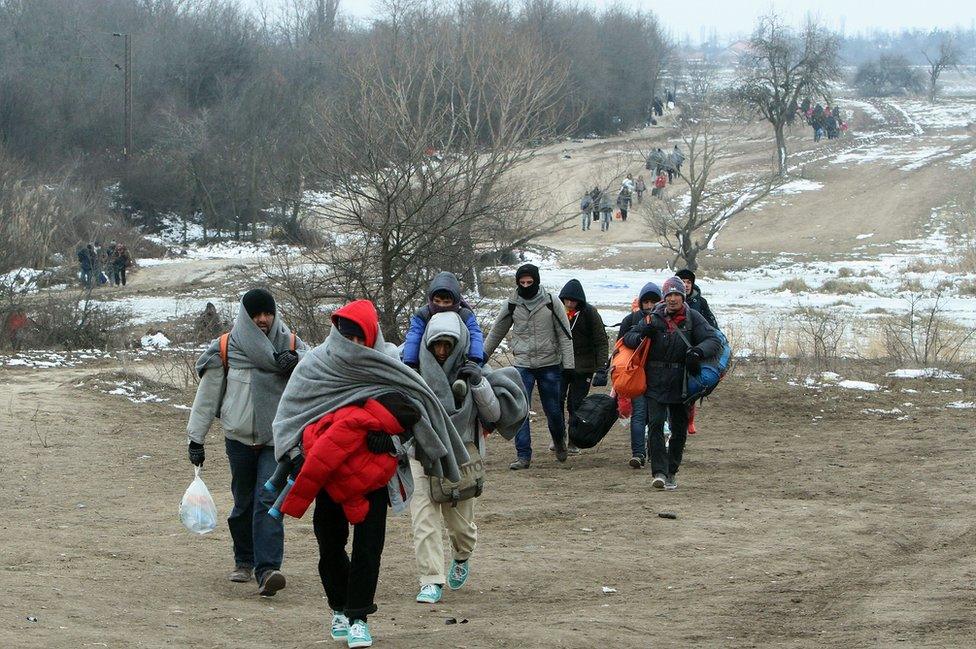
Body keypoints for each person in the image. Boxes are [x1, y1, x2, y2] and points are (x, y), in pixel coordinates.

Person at [272, 299, 470, 648]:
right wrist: (297, 454)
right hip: (329, 475)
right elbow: (292, 413)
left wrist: (393, 437)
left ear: (372, 336)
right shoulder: (317, 363)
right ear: (337, 333)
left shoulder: (387, 363)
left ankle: (359, 617)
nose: (355, 345)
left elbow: (416, 409)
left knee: (369, 549)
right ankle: (338, 607)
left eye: (361, 338)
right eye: (348, 336)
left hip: (375, 475)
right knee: (329, 546)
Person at [186, 288, 308, 595]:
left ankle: (268, 571)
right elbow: (207, 397)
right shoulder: (227, 347)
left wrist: (297, 361)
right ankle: (244, 560)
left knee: (267, 501)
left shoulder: (291, 345)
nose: (263, 319)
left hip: (276, 442)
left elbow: (319, 369)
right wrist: (195, 439)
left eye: (267, 313)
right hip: (238, 440)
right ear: (246, 315)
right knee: (243, 502)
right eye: (256, 314)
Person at [409, 311, 526, 604]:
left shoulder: (475, 372)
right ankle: (430, 579)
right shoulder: (412, 371)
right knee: (424, 518)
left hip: (463, 455)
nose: (442, 351)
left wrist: (478, 384)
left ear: (459, 344)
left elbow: (494, 415)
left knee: (460, 525)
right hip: (421, 453)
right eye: (436, 344)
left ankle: (462, 556)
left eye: (448, 344)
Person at [620, 277, 720, 490]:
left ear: (682, 297)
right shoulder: (653, 318)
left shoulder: (694, 318)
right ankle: (659, 472)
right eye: (669, 295)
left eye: (677, 295)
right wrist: (640, 337)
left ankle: (672, 470)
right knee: (655, 425)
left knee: (679, 428)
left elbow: (713, 340)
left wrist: (697, 352)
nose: (673, 299)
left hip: (683, 382)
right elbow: (627, 337)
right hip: (654, 380)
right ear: (664, 298)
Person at [484, 264, 575, 469]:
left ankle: (560, 441)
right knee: (521, 410)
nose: (526, 285)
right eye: (522, 282)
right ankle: (523, 455)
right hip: (522, 364)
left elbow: (564, 334)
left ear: (536, 281)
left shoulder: (552, 302)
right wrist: (481, 356)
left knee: (553, 410)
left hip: (549, 363)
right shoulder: (512, 304)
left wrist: (568, 365)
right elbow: (497, 331)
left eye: (529, 282)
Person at [616, 282, 662, 468]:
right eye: (646, 302)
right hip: (636, 374)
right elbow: (623, 342)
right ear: (641, 302)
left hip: (660, 374)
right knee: (640, 414)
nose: (649, 306)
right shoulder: (632, 319)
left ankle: (653, 451)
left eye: (653, 302)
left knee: (657, 416)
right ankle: (638, 454)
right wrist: (642, 336)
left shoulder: (667, 321)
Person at [557, 279, 609, 445]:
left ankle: (574, 437)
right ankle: (558, 435)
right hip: (560, 364)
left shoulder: (590, 313)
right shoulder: (556, 312)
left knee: (576, 404)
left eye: (574, 300)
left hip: (583, 367)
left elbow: (601, 341)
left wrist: (601, 369)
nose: (570, 303)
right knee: (556, 400)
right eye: (567, 300)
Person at [402, 272, 484, 369]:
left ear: (455, 302)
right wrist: (411, 362)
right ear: (431, 300)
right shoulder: (423, 314)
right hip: (426, 357)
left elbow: (475, 335)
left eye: (446, 302)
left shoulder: (465, 315)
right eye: (437, 301)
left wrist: (474, 359)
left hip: (458, 358)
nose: (441, 306)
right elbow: (414, 336)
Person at [675, 269, 719, 437]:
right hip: (675, 348)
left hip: (696, 349)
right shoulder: (669, 302)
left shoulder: (700, 302)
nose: (685, 285)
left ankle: (689, 420)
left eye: (688, 282)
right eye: (682, 281)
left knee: (691, 388)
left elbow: (712, 326)